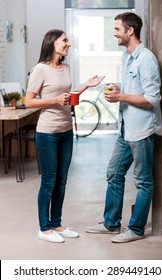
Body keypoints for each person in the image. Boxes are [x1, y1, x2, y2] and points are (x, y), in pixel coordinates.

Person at [85, 12, 162, 242]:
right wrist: (115, 87)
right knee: (114, 173)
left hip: (142, 130)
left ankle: (137, 229)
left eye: (117, 29)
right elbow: (132, 87)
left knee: (143, 181)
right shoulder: (127, 56)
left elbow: (152, 99)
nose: (114, 33)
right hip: (125, 129)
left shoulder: (147, 59)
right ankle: (111, 224)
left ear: (130, 31)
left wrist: (122, 97)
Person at [25, 29, 104, 243]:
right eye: (65, 40)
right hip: (47, 132)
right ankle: (44, 228)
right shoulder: (39, 70)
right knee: (49, 181)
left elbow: (67, 97)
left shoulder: (66, 68)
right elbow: (29, 101)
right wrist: (54, 101)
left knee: (61, 181)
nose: (68, 44)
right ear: (52, 43)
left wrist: (86, 85)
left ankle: (57, 225)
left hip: (66, 131)